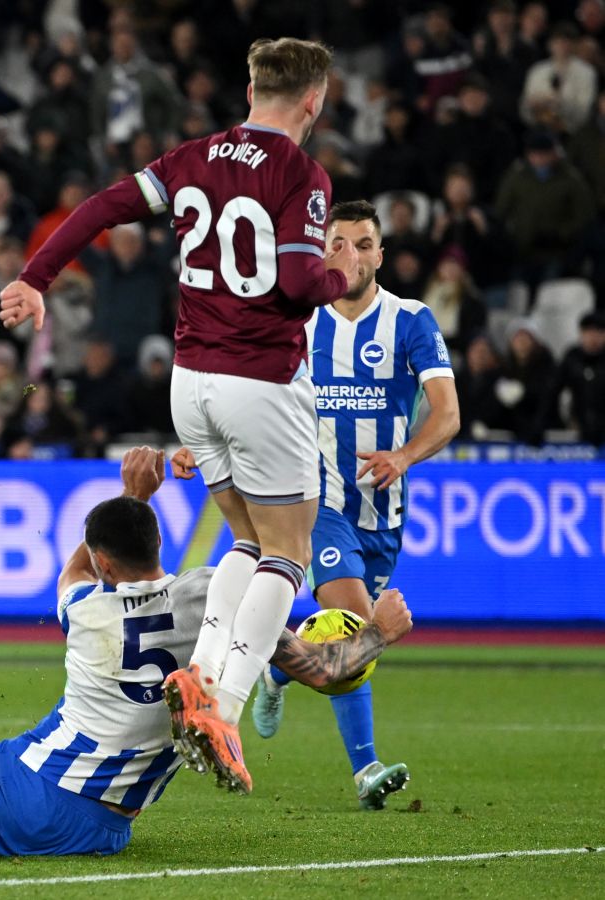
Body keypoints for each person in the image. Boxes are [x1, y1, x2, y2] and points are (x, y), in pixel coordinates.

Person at [0, 37, 363, 793]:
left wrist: (35, 277)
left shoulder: (192, 157)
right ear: (315, 99)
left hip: (190, 380)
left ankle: (199, 674)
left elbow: (102, 207)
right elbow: (299, 282)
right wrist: (341, 274)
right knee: (287, 553)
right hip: (259, 379)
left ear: (251, 89)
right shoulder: (302, 173)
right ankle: (223, 708)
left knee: (245, 539)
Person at [0, 447, 413, 864]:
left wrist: (134, 491)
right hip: (106, 827)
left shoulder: (85, 610)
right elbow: (324, 670)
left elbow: (76, 567)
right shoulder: (211, 597)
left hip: (35, 785)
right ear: (160, 542)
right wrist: (380, 632)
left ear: (104, 563)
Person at [244, 200, 459, 810]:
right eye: (338, 243)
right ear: (322, 252)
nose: (351, 255)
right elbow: (248, 392)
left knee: (361, 636)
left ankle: (278, 667)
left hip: (384, 512)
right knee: (356, 624)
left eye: (364, 244)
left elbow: (448, 413)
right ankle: (366, 771)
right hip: (318, 503)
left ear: (380, 255)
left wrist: (404, 456)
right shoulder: (300, 321)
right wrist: (200, 442)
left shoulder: (411, 321)